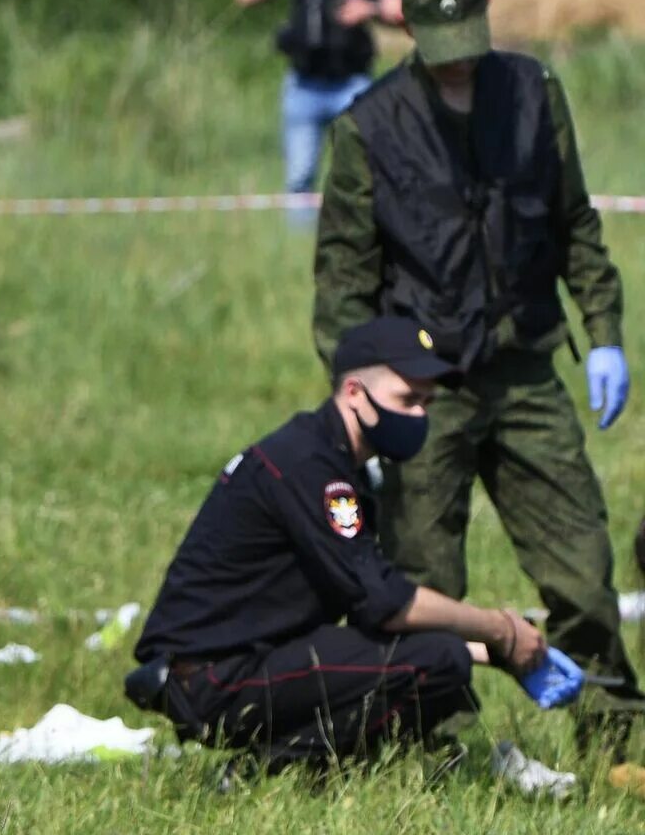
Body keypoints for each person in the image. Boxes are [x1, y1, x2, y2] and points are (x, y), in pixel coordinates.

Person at [312, 0, 643, 716]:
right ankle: (436, 741)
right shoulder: (368, 128)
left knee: (583, 570)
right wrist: (361, 403)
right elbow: (343, 281)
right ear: (409, 29)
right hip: (423, 388)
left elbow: (575, 223)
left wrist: (603, 333)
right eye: (443, 49)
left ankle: (614, 732)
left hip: (526, 371)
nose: (459, 63)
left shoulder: (534, 94)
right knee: (425, 581)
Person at [128, 316, 548, 770]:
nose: (420, 416)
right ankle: (269, 769)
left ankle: (318, 766)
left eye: (427, 403)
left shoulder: (338, 460)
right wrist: (499, 629)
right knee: (438, 662)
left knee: (439, 660)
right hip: (213, 678)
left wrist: (490, 653)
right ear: (353, 393)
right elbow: (386, 603)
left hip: (239, 664)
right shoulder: (310, 465)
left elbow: (364, 609)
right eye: (407, 400)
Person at [235, 0, 403, 214]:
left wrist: (368, 9)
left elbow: (399, 12)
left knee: (364, 172)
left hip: (352, 83)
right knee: (300, 177)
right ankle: (300, 240)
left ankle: (362, 233)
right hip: (304, 83)